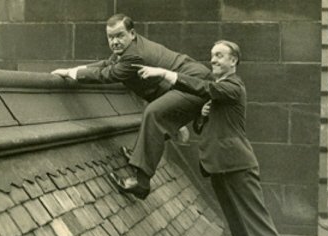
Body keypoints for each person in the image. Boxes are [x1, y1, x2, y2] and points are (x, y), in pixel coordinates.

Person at [133, 40, 291, 236]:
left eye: (220, 56)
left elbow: (202, 86)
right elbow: (201, 128)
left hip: (238, 165)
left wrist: (165, 73)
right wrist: (203, 115)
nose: (213, 60)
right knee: (238, 223)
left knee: (257, 222)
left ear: (233, 61)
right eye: (212, 56)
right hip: (218, 166)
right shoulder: (217, 92)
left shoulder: (233, 86)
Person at [52, 14, 211, 200]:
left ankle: (142, 183)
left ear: (132, 33)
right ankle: (143, 152)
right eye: (110, 37)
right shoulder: (129, 49)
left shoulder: (134, 55)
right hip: (184, 84)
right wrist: (72, 70)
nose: (115, 42)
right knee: (158, 114)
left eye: (119, 36)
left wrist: (71, 73)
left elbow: (106, 75)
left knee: (154, 114)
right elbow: (106, 63)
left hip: (193, 84)